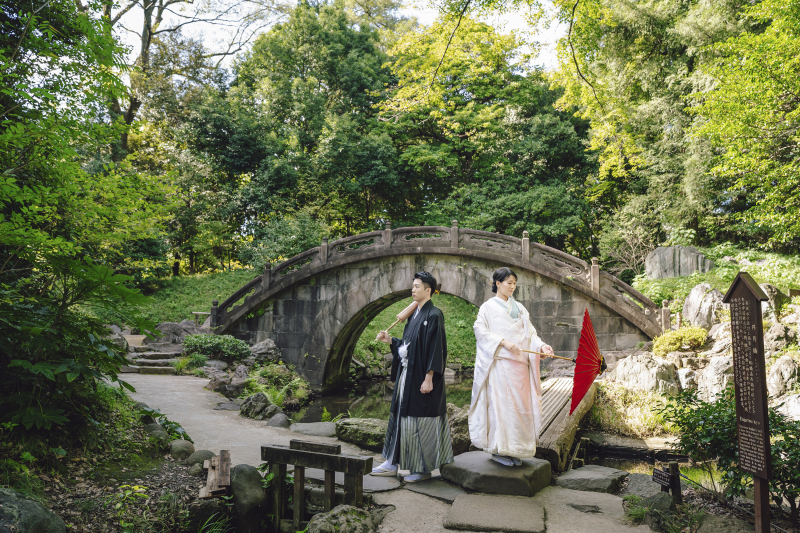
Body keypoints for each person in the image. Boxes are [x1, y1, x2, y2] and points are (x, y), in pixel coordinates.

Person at [369, 271, 454, 482]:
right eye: (412, 286)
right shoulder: (415, 314)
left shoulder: (434, 315)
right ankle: (392, 461)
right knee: (399, 417)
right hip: (406, 376)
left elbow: (437, 349)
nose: (413, 289)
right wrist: (391, 340)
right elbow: (410, 345)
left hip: (421, 378)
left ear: (428, 290)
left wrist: (429, 377)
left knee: (419, 422)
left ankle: (422, 468)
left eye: (417, 286)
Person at [468, 267, 554, 466]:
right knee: (502, 408)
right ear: (497, 283)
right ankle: (500, 449)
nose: (512, 287)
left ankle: (516, 449)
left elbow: (530, 335)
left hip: (520, 368)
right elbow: (480, 330)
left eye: (514, 283)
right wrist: (503, 342)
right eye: (509, 283)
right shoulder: (487, 308)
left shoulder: (520, 308)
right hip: (501, 366)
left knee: (520, 410)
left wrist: (541, 345)